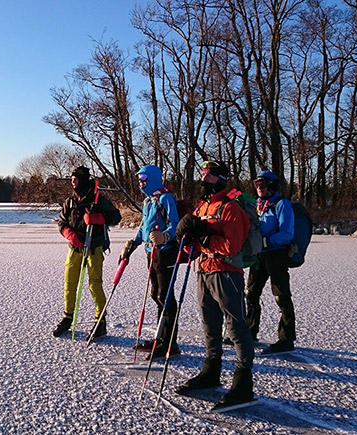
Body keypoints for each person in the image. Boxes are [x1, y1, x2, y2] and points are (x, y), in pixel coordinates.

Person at [174, 161, 256, 409]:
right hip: (203, 270)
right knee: (209, 324)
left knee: (236, 327)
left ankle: (243, 382)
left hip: (226, 273)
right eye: (203, 174)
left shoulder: (231, 208)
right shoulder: (202, 206)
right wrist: (185, 234)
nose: (203, 178)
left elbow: (233, 245)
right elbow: (193, 244)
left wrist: (204, 236)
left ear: (220, 179)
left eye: (209, 175)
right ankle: (211, 371)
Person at [118, 165, 181, 358]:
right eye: (139, 179)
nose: (140, 182)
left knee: (165, 296)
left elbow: (175, 224)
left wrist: (165, 236)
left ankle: (170, 342)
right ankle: (160, 337)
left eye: (144, 178)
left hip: (164, 253)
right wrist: (133, 243)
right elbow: (144, 228)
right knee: (156, 294)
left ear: (153, 178)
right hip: (150, 253)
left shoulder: (165, 198)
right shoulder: (148, 201)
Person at [52, 166, 121, 339]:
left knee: (94, 284)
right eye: (71, 179)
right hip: (75, 247)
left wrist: (99, 219)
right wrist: (69, 234)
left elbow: (116, 217)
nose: (72, 182)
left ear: (83, 180)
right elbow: (62, 222)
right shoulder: (70, 201)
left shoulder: (97, 199)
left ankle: (101, 322)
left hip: (94, 247)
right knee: (69, 284)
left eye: (75, 179)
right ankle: (67, 318)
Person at [245, 170, 296, 353]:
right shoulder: (257, 204)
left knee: (281, 296)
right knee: (251, 293)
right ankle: (250, 331)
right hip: (259, 255)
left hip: (276, 254)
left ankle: (286, 339)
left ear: (272, 185)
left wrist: (267, 241)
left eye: (263, 184)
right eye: (257, 184)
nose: (259, 188)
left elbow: (286, 233)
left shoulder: (282, 204)